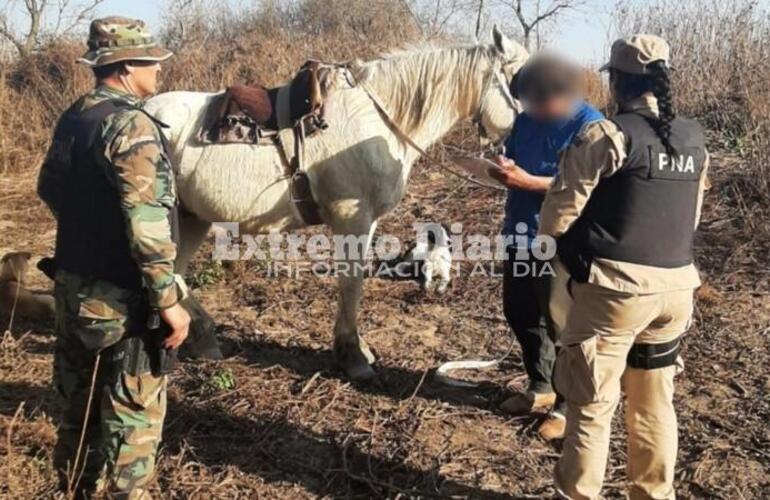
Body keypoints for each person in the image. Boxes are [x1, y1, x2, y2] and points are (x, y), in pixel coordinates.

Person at [538, 35, 709, 499]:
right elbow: (690, 216)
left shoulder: (608, 135)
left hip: (614, 294)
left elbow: (556, 217)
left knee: (592, 407)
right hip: (675, 292)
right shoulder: (694, 138)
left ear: (616, 82)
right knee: (654, 407)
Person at [38, 17, 190, 499]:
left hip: (72, 290)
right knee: (131, 433)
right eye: (151, 62)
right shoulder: (132, 125)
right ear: (125, 67)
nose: (158, 71)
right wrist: (168, 301)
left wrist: (91, 228)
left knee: (76, 419)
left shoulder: (77, 115)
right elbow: (147, 227)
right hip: (123, 308)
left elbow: (49, 187)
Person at [490, 53, 603, 440]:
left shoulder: (591, 127)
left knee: (562, 323)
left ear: (562, 94)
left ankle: (566, 405)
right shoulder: (525, 120)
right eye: (526, 103)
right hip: (520, 233)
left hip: (561, 239)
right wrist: (501, 167)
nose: (530, 110)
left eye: (537, 103)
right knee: (520, 311)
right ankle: (540, 386)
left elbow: (589, 188)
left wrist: (530, 182)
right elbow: (516, 160)